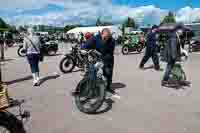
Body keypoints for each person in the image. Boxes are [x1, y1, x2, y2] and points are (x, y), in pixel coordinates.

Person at [81, 28, 120, 99]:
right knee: (91, 72)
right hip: (95, 58)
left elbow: (110, 53)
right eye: (105, 37)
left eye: (108, 37)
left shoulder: (112, 41)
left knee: (108, 73)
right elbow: (86, 45)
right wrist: (83, 48)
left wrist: (103, 59)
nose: (106, 39)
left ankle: (107, 88)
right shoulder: (95, 38)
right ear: (101, 34)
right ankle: (86, 88)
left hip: (108, 59)